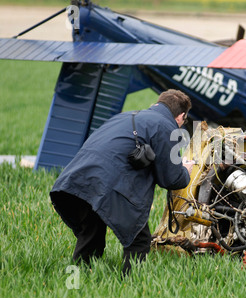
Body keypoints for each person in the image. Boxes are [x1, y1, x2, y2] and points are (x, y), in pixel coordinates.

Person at [50, 89, 195, 275]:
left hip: (75, 180)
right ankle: (129, 287)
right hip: (109, 186)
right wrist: (186, 170)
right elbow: (172, 179)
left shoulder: (124, 117)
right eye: (185, 120)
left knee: (91, 236)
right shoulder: (168, 128)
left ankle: (75, 283)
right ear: (181, 116)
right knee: (139, 242)